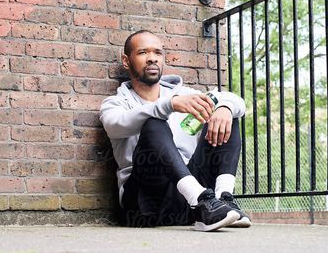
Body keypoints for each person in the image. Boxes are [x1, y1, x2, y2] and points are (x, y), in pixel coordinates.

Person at [99, 30, 251, 232]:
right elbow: (115, 125)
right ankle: (203, 201)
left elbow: (235, 100)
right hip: (145, 204)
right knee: (153, 122)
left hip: (186, 200)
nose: (152, 58)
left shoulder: (185, 95)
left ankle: (223, 201)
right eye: (143, 52)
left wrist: (225, 108)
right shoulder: (115, 103)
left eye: (157, 53)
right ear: (126, 61)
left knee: (226, 114)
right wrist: (170, 104)